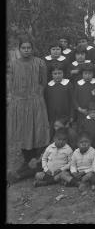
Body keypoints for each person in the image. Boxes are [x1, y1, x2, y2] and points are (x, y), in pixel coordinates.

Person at [7, 37, 50, 173]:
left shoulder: (40, 63)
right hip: (19, 103)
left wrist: (36, 95)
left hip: (36, 101)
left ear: (32, 49)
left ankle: (37, 160)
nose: (26, 50)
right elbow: (12, 83)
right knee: (22, 129)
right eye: (23, 48)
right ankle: (27, 161)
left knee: (37, 128)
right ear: (19, 49)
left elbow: (44, 82)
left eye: (28, 48)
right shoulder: (13, 64)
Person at [44, 64, 74, 138]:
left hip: (65, 116)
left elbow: (72, 101)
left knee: (65, 135)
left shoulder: (68, 84)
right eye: (55, 73)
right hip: (52, 117)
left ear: (63, 73)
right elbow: (46, 102)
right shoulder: (48, 86)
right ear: (51, 74)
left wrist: (71, 116)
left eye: (59, 73)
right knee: (51, 135)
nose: (57, 75)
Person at [73, 63, 95, 128]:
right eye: (85, 73)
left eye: (90, 73)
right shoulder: (78, 84)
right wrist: (79, 109)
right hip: (81, 112)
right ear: (82, 74)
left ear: (93, 74)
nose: (87, 76)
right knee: (81, 128)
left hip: (94, 113)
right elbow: (74, 98)